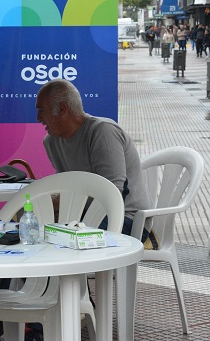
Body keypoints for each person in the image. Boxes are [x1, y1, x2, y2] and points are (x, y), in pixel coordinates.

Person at [35, 79, 154, 245]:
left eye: (42, 111)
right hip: (83, 216)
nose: (38, 118)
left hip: (126, 218)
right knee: (36, 232)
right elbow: (67, 188)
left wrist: (59, 203)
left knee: (61, 240)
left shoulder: (103, 131)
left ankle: (97, 272)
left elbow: (111, 194)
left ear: (62, 109)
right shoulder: (51, 142)